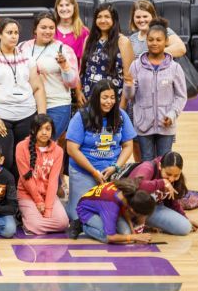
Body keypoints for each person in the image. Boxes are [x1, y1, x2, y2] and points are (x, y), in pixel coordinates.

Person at [0, 18, 47, 174]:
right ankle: (2, 194)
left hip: (26, 115)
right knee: (5, 159)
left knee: (23, 159)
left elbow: (38, 88)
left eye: (16, 33)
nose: (14, 36)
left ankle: (18, 194)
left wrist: (41, 117)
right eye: (9, 32)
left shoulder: (28, 58)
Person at [65, 80, 136, 222]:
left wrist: (116, 167)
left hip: (111, 172)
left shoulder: (121, 115)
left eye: (112, 97)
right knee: (77, 215)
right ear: (96, 97)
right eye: (104, 98)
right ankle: (68, 204)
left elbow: (128, 145)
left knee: (119, 213)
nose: (109, 102)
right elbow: (72, 149)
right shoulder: (81, 116)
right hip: (84, 171)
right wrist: (93, 172)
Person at [125, 20, 188, 159]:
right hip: (142, 125)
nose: (154, 43)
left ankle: (162, 182)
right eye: (151, 40)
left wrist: (172, 114)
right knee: (146, 161)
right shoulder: (136, 66)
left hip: (166, 125)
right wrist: (128, 86)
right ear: (146, 41)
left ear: (166, 41)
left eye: (159, 40)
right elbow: (130, 96)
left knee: (164, 161)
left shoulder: (174, 67)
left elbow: (181, 96)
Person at [18, 12, 80, 140]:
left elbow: (73, 83)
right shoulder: (22, 47)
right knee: (30, 145)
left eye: (51, 28)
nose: (48, 31)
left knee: (47, 143)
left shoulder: (64, 49)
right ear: (35, 29)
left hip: (56, 105)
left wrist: (65, 66)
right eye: (43, 27)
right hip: (29, 105)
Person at [15, 114, 69, 235]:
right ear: (33, 130)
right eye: (40, 129)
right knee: (35, 224)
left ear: (52, 131)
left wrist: (48, 208)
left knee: (63, 223)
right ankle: (28, 220)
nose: (44, 132)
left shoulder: (58, 151)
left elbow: (53, 181)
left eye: (48, 129)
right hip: (27, 194)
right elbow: (26, 179)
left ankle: (34, 223)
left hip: (48, 195)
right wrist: (39, 201)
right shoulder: (21, 147)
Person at [127, 151, 198, 235]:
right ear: (159, 166)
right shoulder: (147, 167)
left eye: (176, 175)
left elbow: (173, 201)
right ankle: (135, 223)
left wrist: (185, 218)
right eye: (168, 174)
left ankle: (144, 223)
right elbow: (138, 185)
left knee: (185, 227)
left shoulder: (174, 177)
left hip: (152, 208)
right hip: (129, 208)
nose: (171, 179)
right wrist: (162, 182)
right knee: (125, 232)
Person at [80, 4, 135, 108]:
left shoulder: (123, 41)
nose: (102, 20)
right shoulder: (89, 39)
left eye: (107, 17)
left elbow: (128, 77)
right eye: (99, 17)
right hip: (90, 96)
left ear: (114, 19)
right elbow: (83, 69)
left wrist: (122, 105)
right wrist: (79, 91)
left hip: (113, 99)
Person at [69, 179, 156, 244]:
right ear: (132, 210)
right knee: (107, 237)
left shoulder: (129, 193)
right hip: (87, 210)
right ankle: (83, 226)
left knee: (126, 234)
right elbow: (111, 237)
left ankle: (104, 222)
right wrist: (135, 237)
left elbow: (125, 210)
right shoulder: (111, 205)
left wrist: (133, 233)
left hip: (101, 205)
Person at [54, 0, 90, 65]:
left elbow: (86, 60)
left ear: (74, 7)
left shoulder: (84, 32)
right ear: (56, 8)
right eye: (61, 5)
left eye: (67, 5)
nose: (64, 9)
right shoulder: (51, 29)